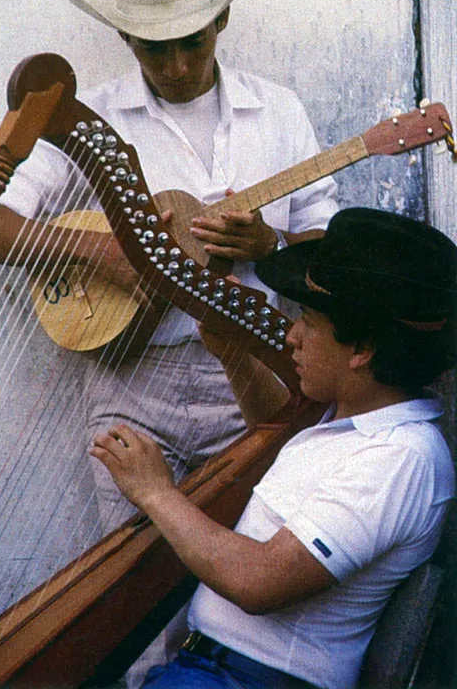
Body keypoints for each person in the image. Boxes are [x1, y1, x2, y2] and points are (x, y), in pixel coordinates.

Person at [0, 0, 337, 536]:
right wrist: (112, 250)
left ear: (222, 20)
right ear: (125, 37)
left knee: (246, 565)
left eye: (193, 42)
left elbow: (326, 254)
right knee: (132, 585)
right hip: (130, 381)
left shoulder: (279, 110)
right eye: (155, 49)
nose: (178, 66)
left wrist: (271, 247)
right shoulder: (88, 119)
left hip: (254, 373)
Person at [91, 207, 456, 689]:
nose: (291, 336)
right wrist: (236, 358)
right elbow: (279, 438)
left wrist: (157, 493)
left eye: (307, 319)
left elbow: (259, 582)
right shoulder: (356, 419)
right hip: (212, 673)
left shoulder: (401, 458)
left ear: (361, 349)